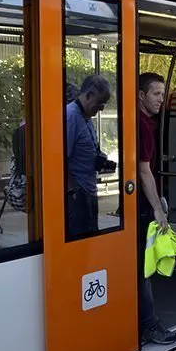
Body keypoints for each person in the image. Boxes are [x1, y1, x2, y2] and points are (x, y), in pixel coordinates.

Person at [137, 72, 176, 345]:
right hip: (141, 206)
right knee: (145, 266)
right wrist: (157, 209)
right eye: (156, 94)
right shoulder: (142, 125)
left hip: (138, 204)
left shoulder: (144, 122)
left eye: (163, 94)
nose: (161, 99)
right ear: (141, 95)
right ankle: (149, 324)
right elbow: (144, 171)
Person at [65, 75, 115, 238]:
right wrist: (73, 190)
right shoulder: (71, 116)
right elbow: (59, 160)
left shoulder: (85, 116)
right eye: (100, 103)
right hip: (78, 193)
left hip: (88, 189)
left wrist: (98, 159)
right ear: (88, 95)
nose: (101, 108)